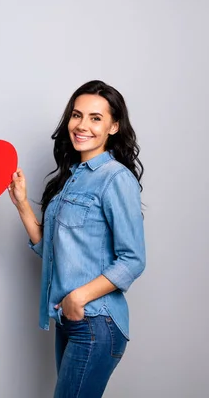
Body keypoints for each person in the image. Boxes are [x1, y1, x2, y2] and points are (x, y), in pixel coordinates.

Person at [8, 80, 146, 397]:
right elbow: (55, 252)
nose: (82, 125)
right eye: (76, 115)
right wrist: (22, 203)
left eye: (95, 118)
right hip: (70, 320)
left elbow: (133, 259)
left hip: (96, 322)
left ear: (114, 126)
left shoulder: (116, 178)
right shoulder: (71, 178)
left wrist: (79, 296)